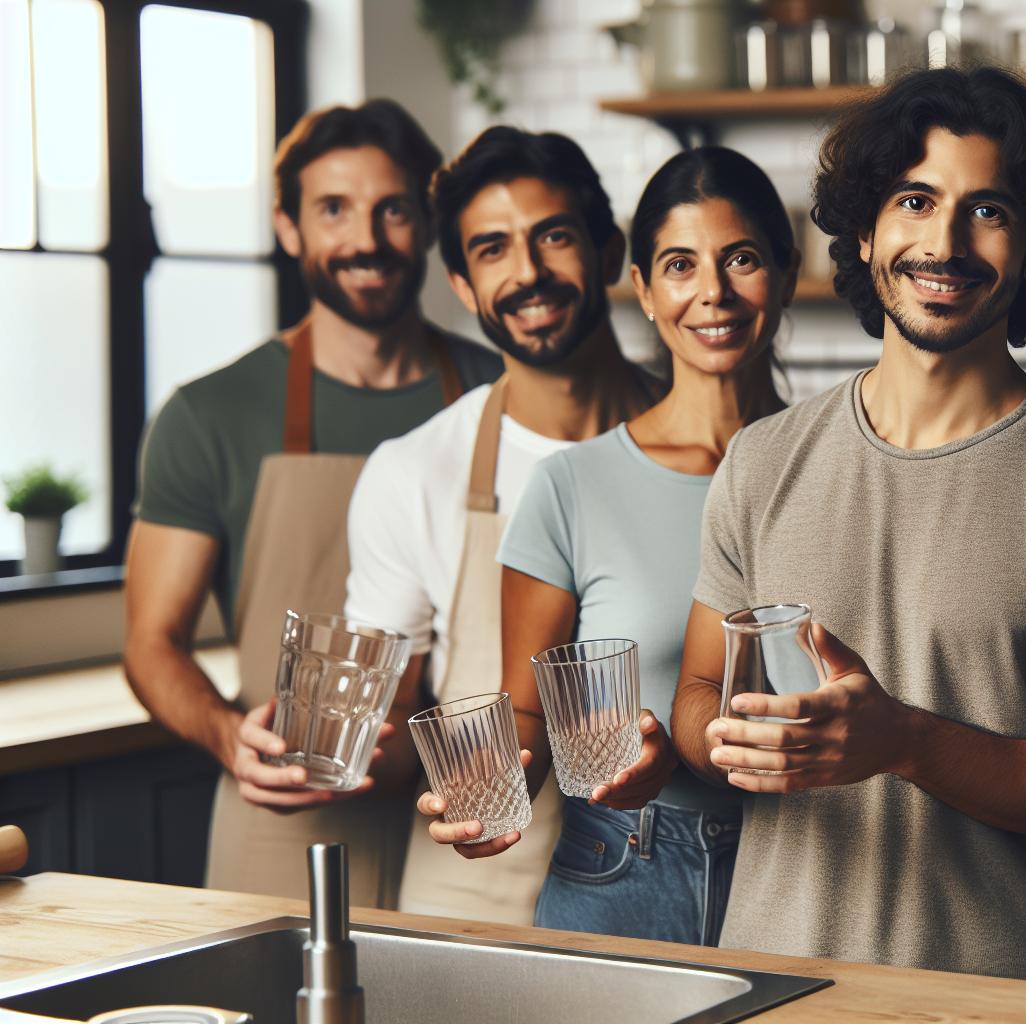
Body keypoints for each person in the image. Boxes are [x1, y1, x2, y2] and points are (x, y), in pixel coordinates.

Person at [668, 67, 1026, 984]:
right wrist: (739, 739)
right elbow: (701, 691)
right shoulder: (763, 460)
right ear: (864, 232)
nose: (944, 243)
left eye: (989, 211)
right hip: (773, 987)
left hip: (997, 997)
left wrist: (902, 741)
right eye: (915, 200)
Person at [123, 100, 502, 906]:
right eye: (334, 209)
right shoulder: (209, 415)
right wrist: (229, 736)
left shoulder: (500, 394)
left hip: (470, 820)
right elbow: (151, 643)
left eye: (392, 209)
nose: (366, 239)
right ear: (288, 228)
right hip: (283, 823)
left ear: (427, 225)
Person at [417, 146, 795, 945]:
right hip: (623, 868)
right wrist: (486, 802)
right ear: (645, 291)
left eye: (742, 259)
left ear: (786, 274)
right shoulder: (573, 486)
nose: (713, 292)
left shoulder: (843, 470)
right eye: (681, 265)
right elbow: (525, 709)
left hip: (808, 865)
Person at [343, 126, 661, 925]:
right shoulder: (415, 469)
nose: (528, 273)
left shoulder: (708, 449)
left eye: (553, 236)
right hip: (476, 890)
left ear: (608, 250)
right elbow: (388, 721)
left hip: (669, 891)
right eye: (492, 250)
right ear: (461, 283)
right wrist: (349, 746)